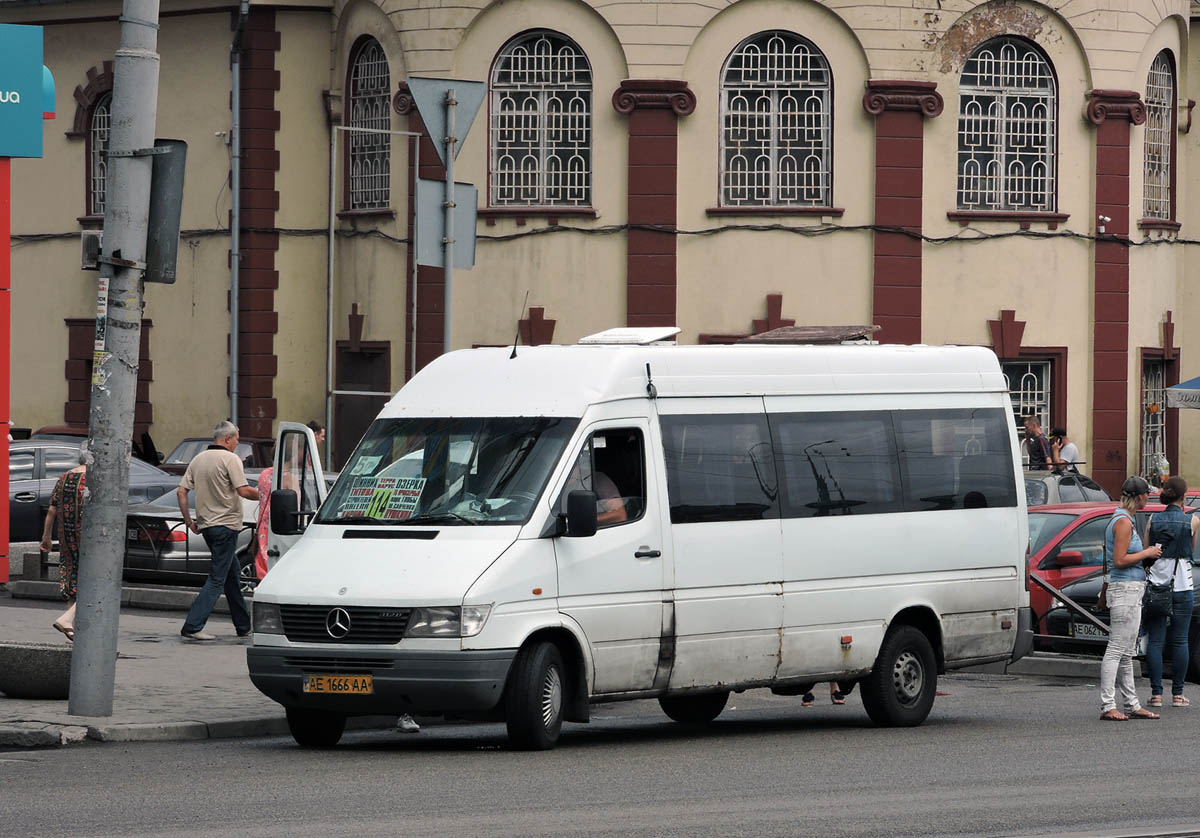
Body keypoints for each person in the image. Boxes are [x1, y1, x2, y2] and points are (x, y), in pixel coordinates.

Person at [177, 421, 260, 641]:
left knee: (231, 575)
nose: (238, 442)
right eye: (236, 438)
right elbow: (243, 490)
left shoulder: (198, 459)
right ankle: (193, 625)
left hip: (206, 526)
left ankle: (243, 626)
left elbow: (181, 492)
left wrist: (188, 521)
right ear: (227, 439)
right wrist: (265, 494)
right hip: (226, 525)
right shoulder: (230, 459)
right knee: (217, 578)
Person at [1098, 476, 1162, 721]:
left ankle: (1131, 704)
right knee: (1116, 649)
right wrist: (1147, 552)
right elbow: (1120, 560)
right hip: (1124, 590)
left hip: (1127, 588)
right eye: (1146, 493)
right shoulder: (1123, 522)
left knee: (1126, 651)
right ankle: (1108, 705)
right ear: (1137, 497)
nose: (1149, 496)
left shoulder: (1124, 519)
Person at [1143, 476, 1196, 707]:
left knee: (1155, 640)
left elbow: (1147, 551)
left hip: (1157, 585)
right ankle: (1178, 693)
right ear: (1183, 497)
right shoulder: (1192, 521)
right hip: (1183, 586)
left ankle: (1156, 694)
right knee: (1180, 640)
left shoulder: (1153, 519)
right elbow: (1189, 552)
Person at [39, 441, 89, 641]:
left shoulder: (65, 477)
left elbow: (52, 509)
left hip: (67, 538)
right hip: (88, 539)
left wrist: (46, 537)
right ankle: (68, 619)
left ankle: (73, 629)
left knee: (72, 578)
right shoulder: (93, 479)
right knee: (95, 579)